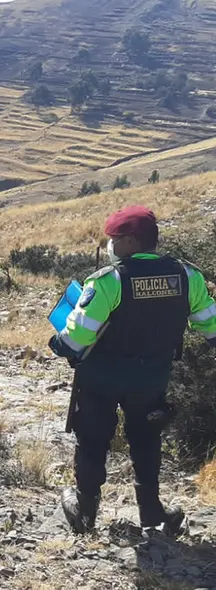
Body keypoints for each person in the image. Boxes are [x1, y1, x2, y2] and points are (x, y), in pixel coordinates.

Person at [49, 206, 216, 535]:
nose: (110, 245)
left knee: (93, 438)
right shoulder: (187, 276)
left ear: (128, 241)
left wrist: (59, 342)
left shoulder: (109, 281)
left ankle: (85, 511)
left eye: (113, 239)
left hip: (101, 378)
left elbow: (78, 336)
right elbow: (209, 323)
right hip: (153, 377)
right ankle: (152, 511)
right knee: (146, 439)